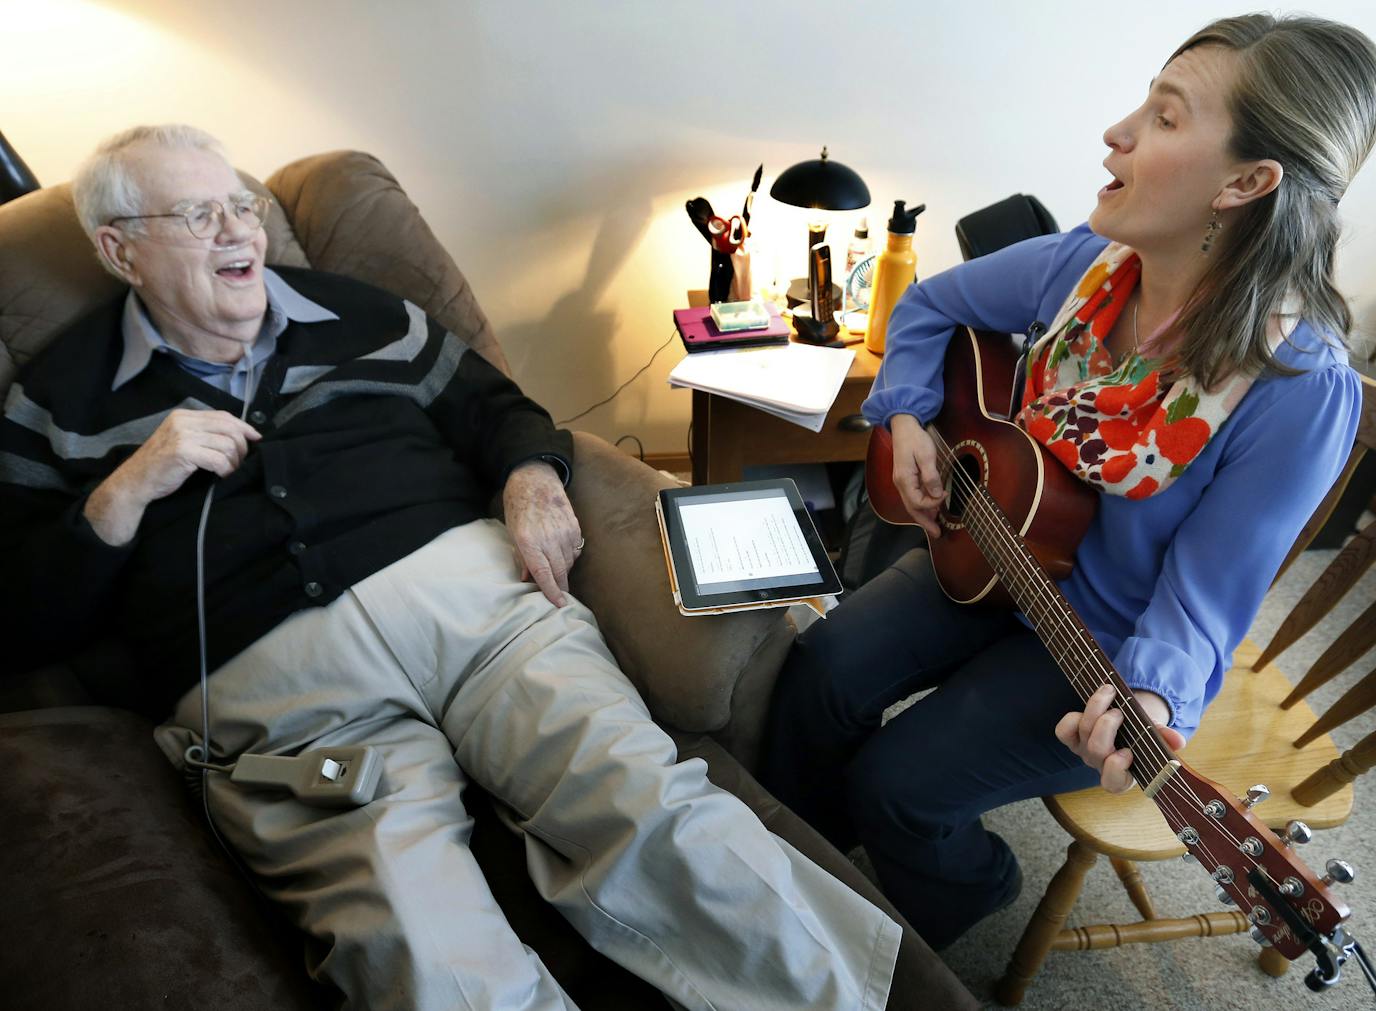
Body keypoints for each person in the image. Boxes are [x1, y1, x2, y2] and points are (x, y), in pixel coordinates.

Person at [0, 125, 907, 1011]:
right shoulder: (56, 404)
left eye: (240, 203)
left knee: (652, 810)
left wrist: (530, 475)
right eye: (197, 215)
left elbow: (497, 408)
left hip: (482, 613)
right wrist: (124, 491)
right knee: (417, 948)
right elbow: (28, 617)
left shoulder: (361, 314)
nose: (240, 230)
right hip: (288, 698)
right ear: (120, 250)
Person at [760, 13, 1376, 951]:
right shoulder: (1088, 267)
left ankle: (964, 893)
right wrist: (900, 411)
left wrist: (1153, 699)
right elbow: (932, 302)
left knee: (899, 781)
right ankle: (787, 856)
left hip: (1095, 640)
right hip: (990, 552)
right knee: (817, 673)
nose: (1118, 132)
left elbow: (1207, 595)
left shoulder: (1297, 387)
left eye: (1166, 118)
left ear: (1247, 182)